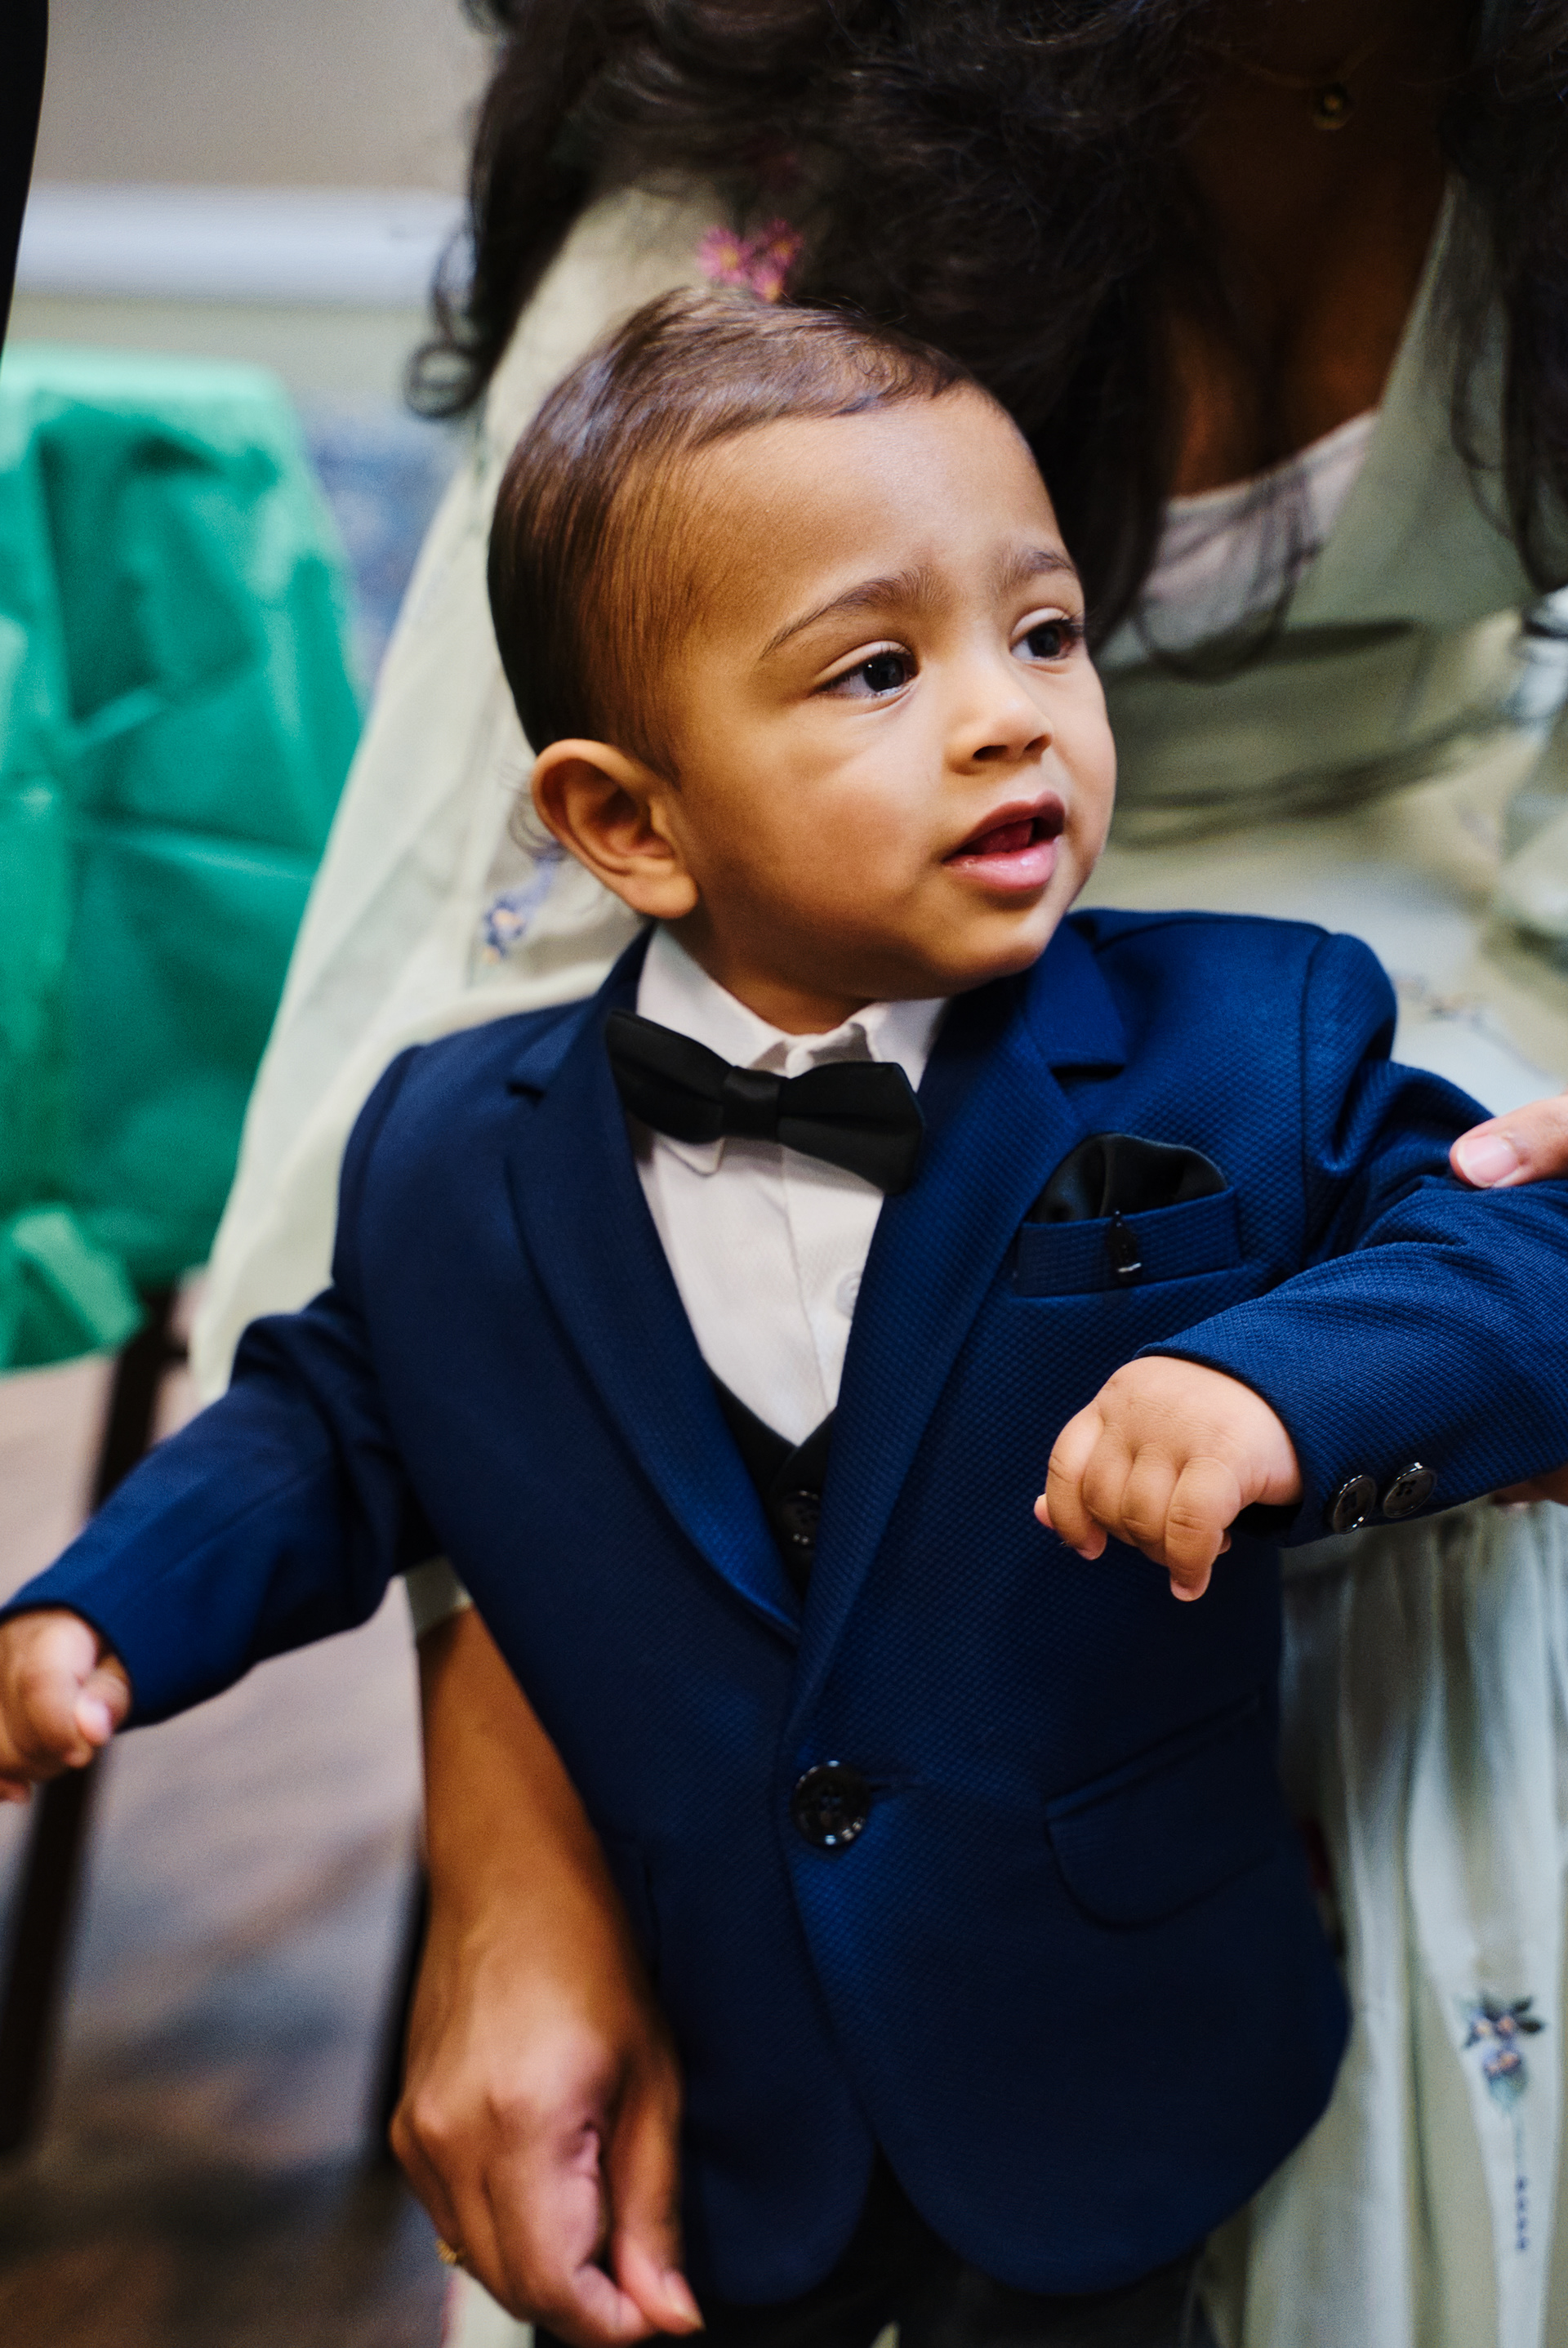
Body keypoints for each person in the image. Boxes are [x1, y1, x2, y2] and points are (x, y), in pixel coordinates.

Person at [180, 7, 1568, 2346]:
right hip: (794, 949)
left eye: (1045, 632)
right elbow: (473, 1098)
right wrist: (517, 1853)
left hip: (1424, 999)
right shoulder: (777, 136)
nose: (1007, 696)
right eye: (895, 659)